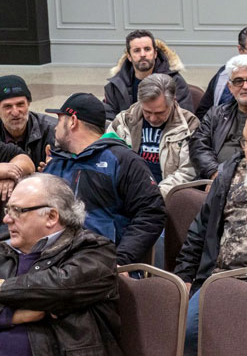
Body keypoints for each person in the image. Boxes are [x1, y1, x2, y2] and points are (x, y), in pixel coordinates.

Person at [0, 174, 124, 356]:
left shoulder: (94, 250)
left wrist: (3, 287)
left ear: (51, 216)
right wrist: (13, 316)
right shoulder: (3, 250)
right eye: (8, 210)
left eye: (17, 211)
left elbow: (61, 287)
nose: (7, 219)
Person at [42, 93, 165, 264]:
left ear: (72, 121)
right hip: (50, 262)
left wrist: (120, 260)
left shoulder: (124, 161)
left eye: (59, 120)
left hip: (100, 265)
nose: (55, 128)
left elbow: (151, 213)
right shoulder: (56, 164)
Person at [174, 143, 247, 356]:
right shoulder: (227, 172)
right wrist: (185, 275)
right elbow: (199, 230)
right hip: (219, 277)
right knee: (185, 335)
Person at [109, 73, 201, 197]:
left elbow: (188, 171)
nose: (152, 118)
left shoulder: (189, 125)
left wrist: (155, 194)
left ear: (173, 101)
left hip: (166, 197)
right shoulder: (123, 121)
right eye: (147, 111)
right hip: (127, 193)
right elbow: (107, 158)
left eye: (159, 113)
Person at [189, 55, 247, 180]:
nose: (245, 86)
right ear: (230, 87)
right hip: (215, 179)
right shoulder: (216, 114)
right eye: (238, 81)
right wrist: (214, 173)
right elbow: (198, 145)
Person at [103, 29, 193, 120]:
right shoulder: (115, 87)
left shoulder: (175, 82)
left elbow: (184, 120)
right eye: (137, 50)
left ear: (155, 53)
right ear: (129, 56)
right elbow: (109, 122)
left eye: (147, 49)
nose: (143, 54)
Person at [0, 75, 56, 168]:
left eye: (20, 104)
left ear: (29, 103)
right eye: (7, 106)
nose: (15, 112)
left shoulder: (53, 130)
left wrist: (55, 168)